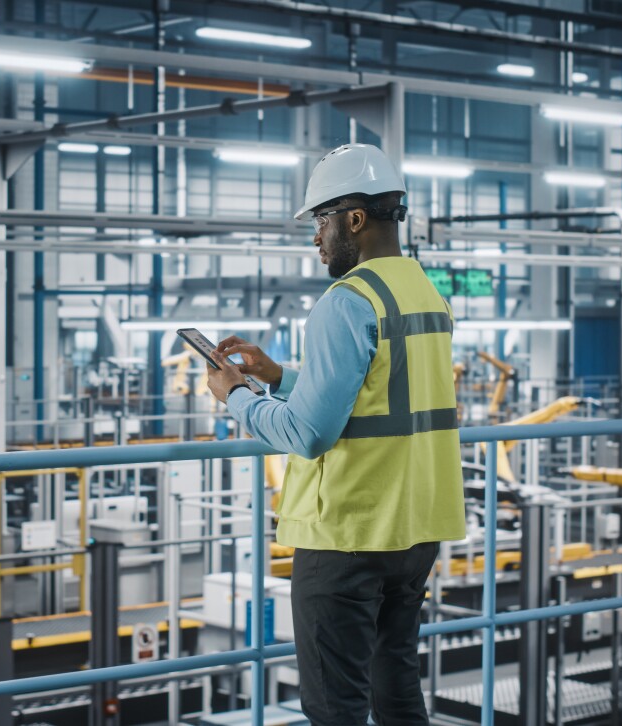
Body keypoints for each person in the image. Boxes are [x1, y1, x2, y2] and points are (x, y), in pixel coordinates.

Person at [204, 143, 466, 725]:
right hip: (414, 528)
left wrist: (239, 396)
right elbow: (383, 392)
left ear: (354, 219)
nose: (316, 238)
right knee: (395, 684)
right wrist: (282, 375)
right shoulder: (426, 293)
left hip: (348, 530)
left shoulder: (345, 301)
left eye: (321, 221)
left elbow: (307, 433)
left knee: (334, 704)